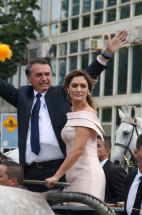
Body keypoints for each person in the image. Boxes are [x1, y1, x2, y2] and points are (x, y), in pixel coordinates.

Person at [0, 30, 129, 191]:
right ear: (29, 77)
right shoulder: (22, 96)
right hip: (30, 172)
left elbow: (87, 75)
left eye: (47, 74)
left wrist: (106, 54)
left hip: (58, 170)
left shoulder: (61, 93)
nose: (44, 78)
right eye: (39, 75)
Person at [43, 70, 105, 202]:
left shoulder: (86, 113)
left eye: (83, 86)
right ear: (67, 88)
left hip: (88, 175)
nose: (78, 89)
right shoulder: (74, 112)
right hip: (74, 175)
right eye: (74, 85)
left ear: (89, 89)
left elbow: (78, 149)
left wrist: (57, 175)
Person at [97, 135, 127, 204]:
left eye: (98, 146)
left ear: (107, 151)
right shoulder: (89, 170)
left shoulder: (115, 171)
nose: (93, 148)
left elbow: (122, 198)